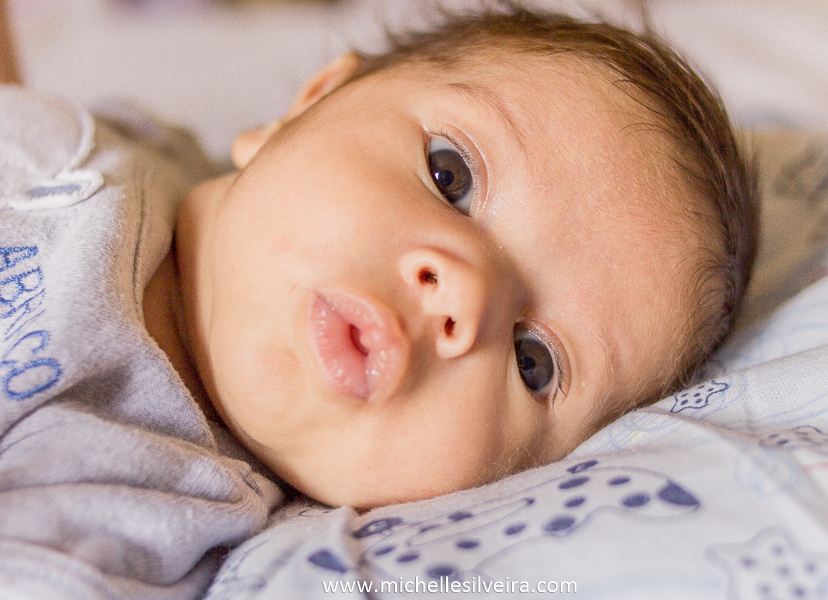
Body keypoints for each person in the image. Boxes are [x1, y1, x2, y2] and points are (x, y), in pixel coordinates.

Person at [0, 2, 756, 598]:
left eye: (535, 362)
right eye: (450, 175)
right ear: (309, 104)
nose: (465, 297)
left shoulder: (135, 517)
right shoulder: (131, 153)